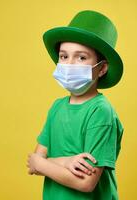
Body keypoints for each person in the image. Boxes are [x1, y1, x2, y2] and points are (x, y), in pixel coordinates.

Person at [27, 10, 124, 200]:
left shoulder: (100, 111)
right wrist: (66, 161)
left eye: (81, 57)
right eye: (64, 56)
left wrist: (43, 163)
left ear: (102, 68)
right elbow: (34, 164)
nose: (70, 64)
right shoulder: (57, 107)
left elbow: (86, 182)